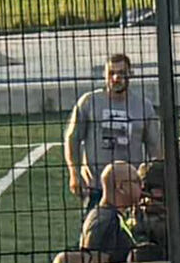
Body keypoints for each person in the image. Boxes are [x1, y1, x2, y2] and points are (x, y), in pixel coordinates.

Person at [63, 54, 158, 208]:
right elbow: (72, 139)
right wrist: (74, 174)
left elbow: (155, 148)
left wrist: (154, 181)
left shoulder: (143, 107)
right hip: (95, 187)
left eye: (121, 73)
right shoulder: (89, 102)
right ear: (105, 75)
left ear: (130, 74)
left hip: (131, 188)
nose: (115, 78)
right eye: (111, 73)